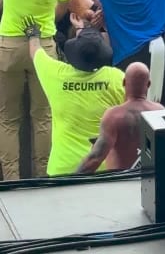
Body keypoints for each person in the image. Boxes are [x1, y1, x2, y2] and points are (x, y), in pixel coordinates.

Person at [0, 0, 72, 178]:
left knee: (8, 119)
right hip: (43, 46)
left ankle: (10, 178)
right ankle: (42, 176)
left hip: (10, 45)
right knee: (42, 117)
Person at [27, 24, 124, 175]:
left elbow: (36, 53)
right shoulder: (116, 78)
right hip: (105, 168)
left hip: (63, 170)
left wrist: (33, 34)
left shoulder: (56, 74)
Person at [76, 62, 163, 172]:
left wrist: (70, 183)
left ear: (124, 82)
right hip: (151, 181)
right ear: (149, 84)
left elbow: (95, 158)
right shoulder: (159, 112)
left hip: (121, 183)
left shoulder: (114, 116)